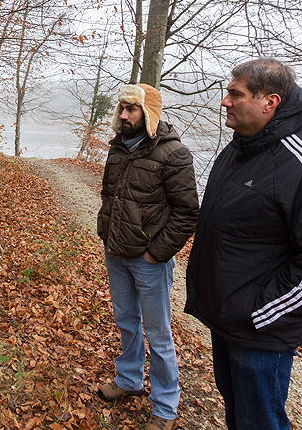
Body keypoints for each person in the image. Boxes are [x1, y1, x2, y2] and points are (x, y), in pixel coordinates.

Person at [185, 58, 302, 430]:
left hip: (259, 331)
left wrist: (257, 314)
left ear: (270, 102)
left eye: (236, 93)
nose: (224, 101)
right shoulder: (238, 151)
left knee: (259, 421)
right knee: (239, 414)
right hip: (227, 318)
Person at [97, 83, 200, 430]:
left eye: (133, 110)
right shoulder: (117, 148)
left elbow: (187, 212)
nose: (124, 116)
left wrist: (157, 254)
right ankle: (128, 379)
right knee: (126, 322)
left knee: (158, 334)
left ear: (150, 113)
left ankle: (166, 407)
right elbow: (110, 197)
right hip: (116, 254)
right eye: (122, 109)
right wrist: (106, 234)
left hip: (148, 261)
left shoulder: (174, 153)